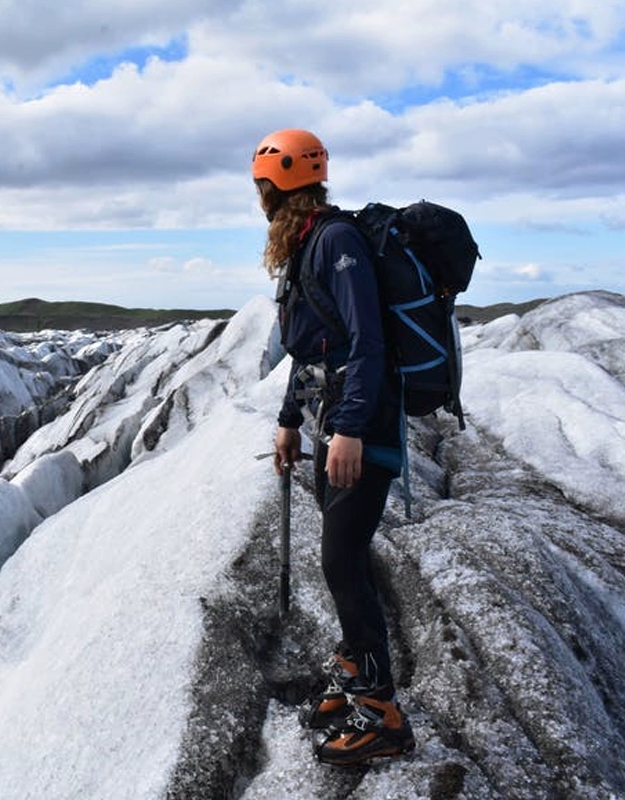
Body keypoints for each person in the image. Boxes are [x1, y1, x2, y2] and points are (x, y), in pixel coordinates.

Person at [253, 128, 415, 765]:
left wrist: (348, 429)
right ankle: (355, 673)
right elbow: (312, 347)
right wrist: (291, 420)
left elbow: (366, 342)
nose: (259, 198)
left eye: (262, 187)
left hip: (359, 424)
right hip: (332, 420)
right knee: (342, 557)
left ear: (280, 185)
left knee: (342, 561)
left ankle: (382, 714)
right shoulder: (306, 243)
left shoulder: (337, 242)